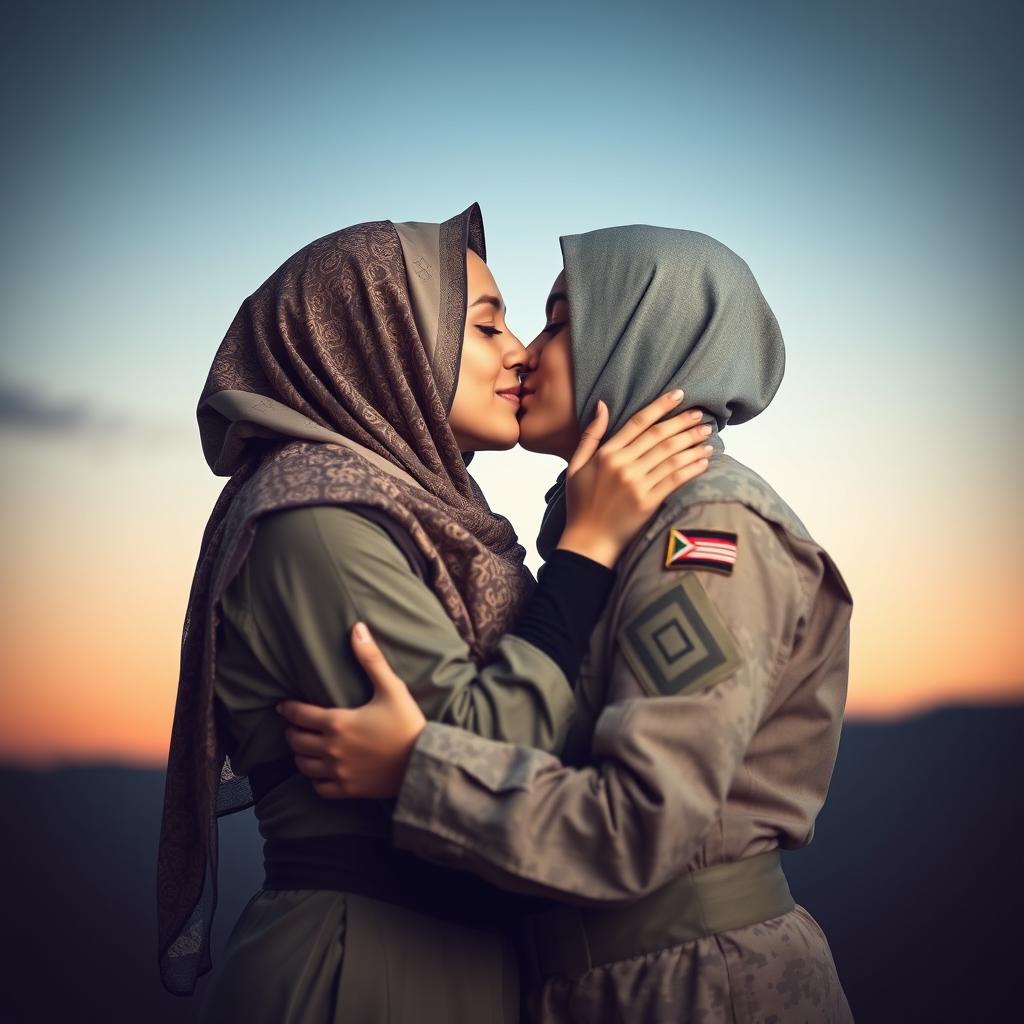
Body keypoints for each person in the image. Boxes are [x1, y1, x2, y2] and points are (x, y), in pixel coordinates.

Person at [280, 225, 856, 1022]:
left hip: (701, 992)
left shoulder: (706, 528)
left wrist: (416, 769)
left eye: (557, 321)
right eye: (511, 326)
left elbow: (641, 823)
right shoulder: (612, 526)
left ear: (637, 331)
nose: (527, 351)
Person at [155, 204, 714, 1022]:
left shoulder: (407, 515)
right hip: (360, 970)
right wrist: (587, 549)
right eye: (487, 327)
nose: (520, 352)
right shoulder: (314, 519)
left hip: (442, 961)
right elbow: (480, 748)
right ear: (379, 339)